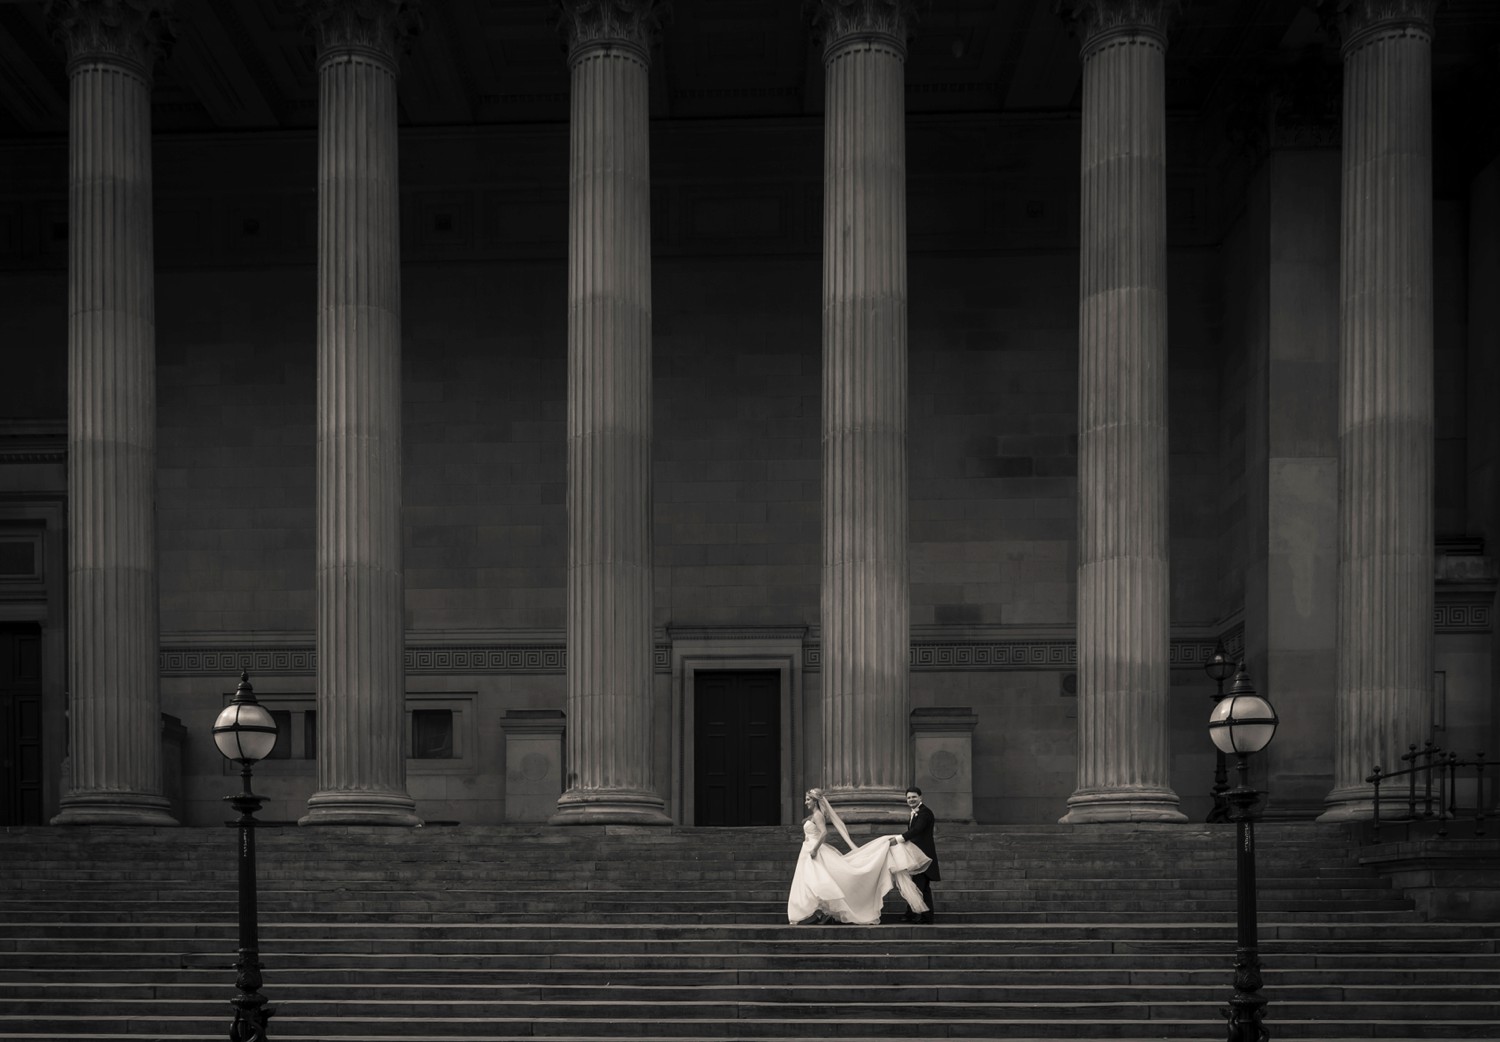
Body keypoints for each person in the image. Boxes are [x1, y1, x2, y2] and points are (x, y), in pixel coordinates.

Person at [786, 788, 930, 925]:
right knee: (811, 880)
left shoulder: (817, 815)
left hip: (814, 851)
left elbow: (824, 833)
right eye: (806, 799)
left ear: (815, 800)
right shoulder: (814, 815)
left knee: (819, 880)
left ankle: (820, 912)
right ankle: (818, 912)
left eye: (808, 799)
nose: (806, 802)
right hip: (807, 850)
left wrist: (814, 849)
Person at [894, 785, 940, 923]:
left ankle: (923, 917)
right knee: (919, 886)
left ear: (921, 797)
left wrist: (898, 839)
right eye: (908, 798)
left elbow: (917, 830)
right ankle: (915, 914)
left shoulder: (925, 813)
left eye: (914, 797)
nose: (911, 800)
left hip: (923, 857)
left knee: (921, 887)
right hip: (916, 856)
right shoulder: (916, 812)